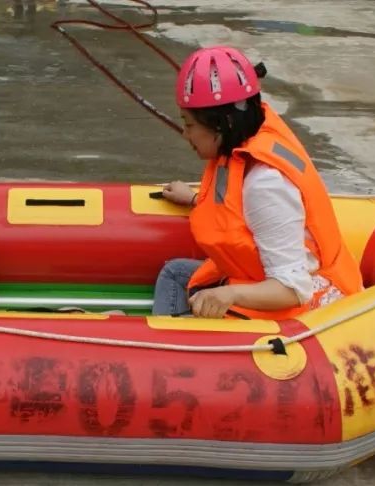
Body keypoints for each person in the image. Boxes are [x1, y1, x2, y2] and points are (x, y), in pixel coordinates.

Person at [152, 46, 363, 320]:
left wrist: (230, 295)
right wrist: (193, 199)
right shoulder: (244, 144)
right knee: (176, 272)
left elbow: (293, 288)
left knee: (195, 302)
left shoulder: (265, 185)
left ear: (221, 124)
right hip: (259, 275)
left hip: (299, 307)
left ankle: (167, 350)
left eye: (189, 125)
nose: (184, 133)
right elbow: (238, 214)